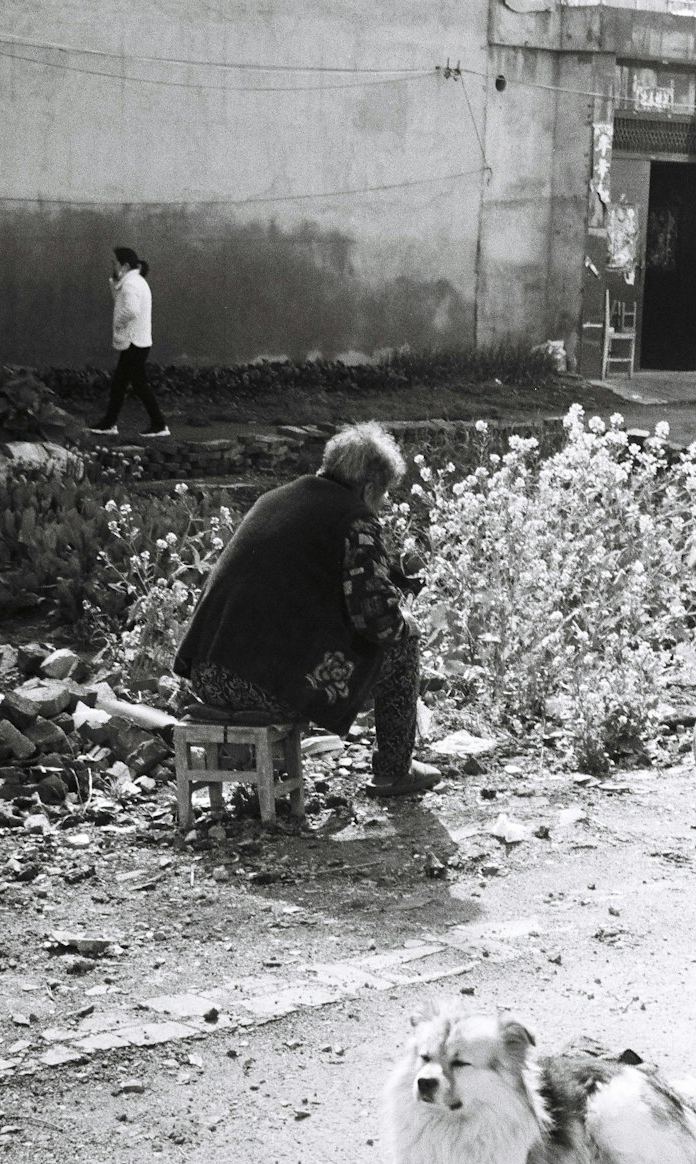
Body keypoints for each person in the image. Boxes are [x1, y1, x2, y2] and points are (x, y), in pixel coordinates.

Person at [174, 421, 441, 798]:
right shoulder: (355, 519)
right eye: (382, 495)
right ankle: (394, 771)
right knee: (401, 643)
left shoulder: (275, 498)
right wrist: (406, 624)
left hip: (207, 675)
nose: (381, 506)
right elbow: (377, 618)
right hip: (258, 688)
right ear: (368, 489)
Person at [89, 246, 169, 437]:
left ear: (124, 265)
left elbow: (131, 310)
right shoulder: (134, 281)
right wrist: (115, 281)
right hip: (138, 342)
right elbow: (121, 300)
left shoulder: (131, 284)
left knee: (137, 384)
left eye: (114, 263)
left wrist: (118, 322)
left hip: (134, 342)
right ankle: (110, 423)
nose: (112, 266)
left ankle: (159, 425)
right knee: (120, 383)